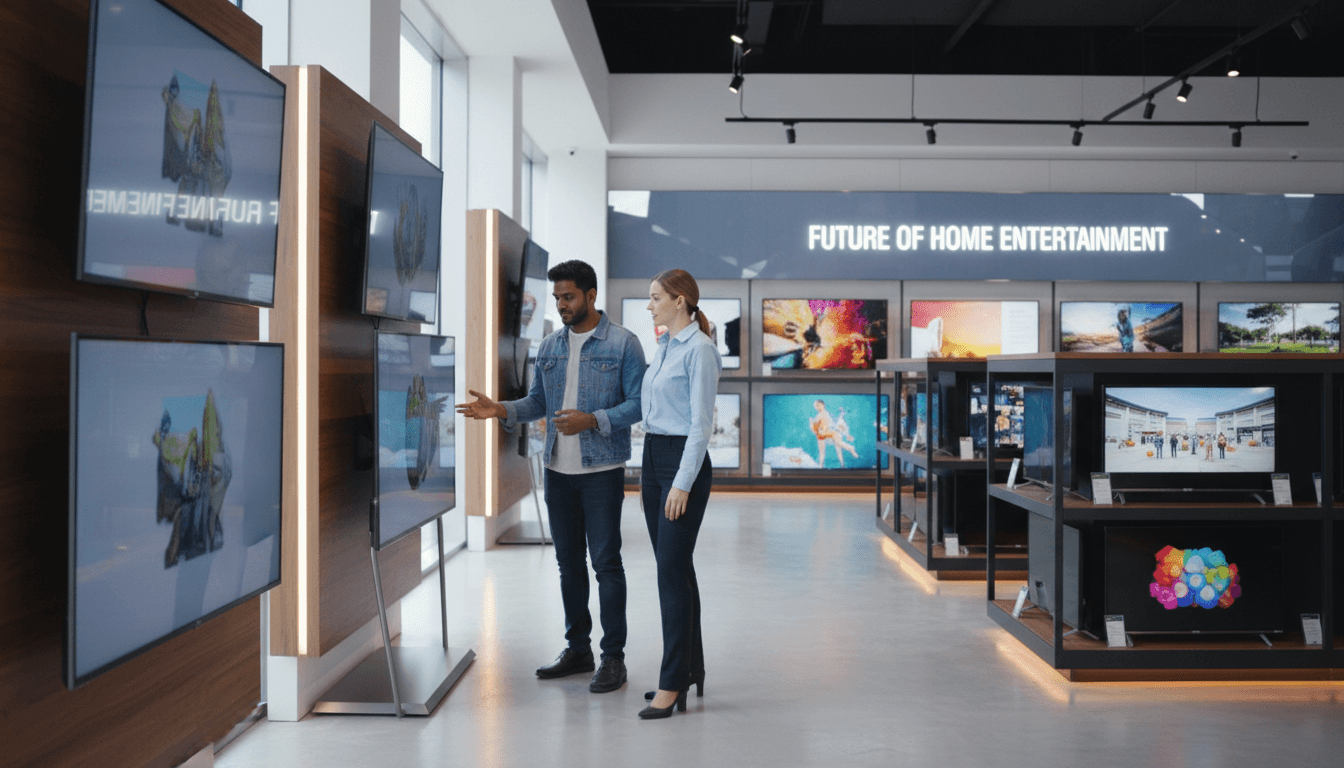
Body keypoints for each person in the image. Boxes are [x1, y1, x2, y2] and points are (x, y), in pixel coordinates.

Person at [456, 260, 645, 694]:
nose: (561, 304)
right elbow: (538, 402)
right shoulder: (549, 347)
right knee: (567, 564)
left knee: (606, 564)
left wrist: (592, 419)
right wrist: (501, 409)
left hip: (601, 472)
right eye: (557, 297)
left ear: (591, 295)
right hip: (557, 472)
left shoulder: (623, 345)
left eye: (569, 297)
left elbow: (638, 404)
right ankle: (578, 649)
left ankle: (613, 658)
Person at [637, 269, 721, 720]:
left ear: (680, 300)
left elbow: (701, 425)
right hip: (652, 458)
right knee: (677, 569)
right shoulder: (665, 345)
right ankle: (692, 669)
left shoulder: (701, 350)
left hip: (679, 463)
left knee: (669, 574)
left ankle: (672, 681)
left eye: (655, 298)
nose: (650, 306)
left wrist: (681, 483)